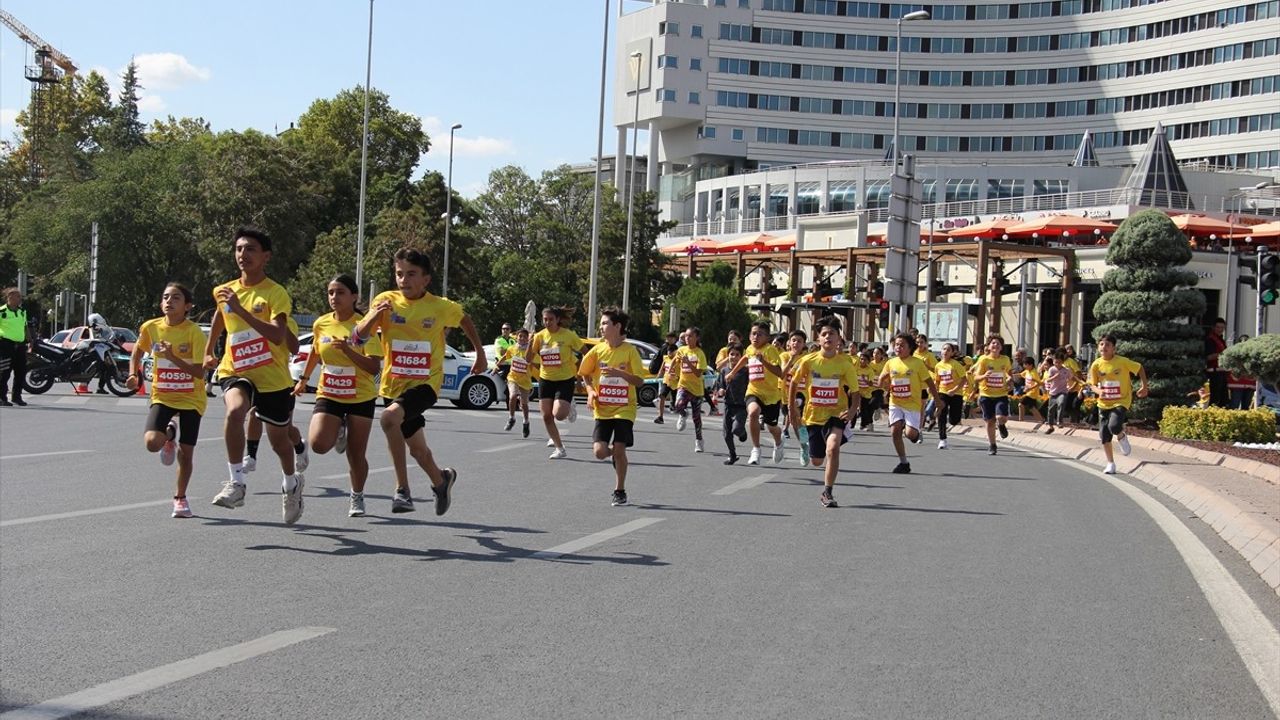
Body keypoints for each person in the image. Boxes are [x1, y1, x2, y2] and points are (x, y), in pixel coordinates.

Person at [352, 247, 484, 514]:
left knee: (389, 419)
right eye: (399, 274)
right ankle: (441, 480)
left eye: (411, 274)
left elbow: (465, 320)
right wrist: (375, 316)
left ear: (426, 279)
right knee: (417, 450)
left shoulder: (440, 306)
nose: (404, 280)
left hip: (426, 385)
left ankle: (402, 491)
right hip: (393, 385)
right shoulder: (385, 301)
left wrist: (480, 354)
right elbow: (357, 338)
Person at [203, 226, 307, 524]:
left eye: (250, 249)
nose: (242, 255)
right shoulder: (225, 290)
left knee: (279, 443)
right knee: (235, 411)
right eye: (238, 249)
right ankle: (236, 482)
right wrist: (210, 350)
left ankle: (291, 484)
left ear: (265, 256)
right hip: (235, 368)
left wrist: (241, 310)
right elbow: (221, 315)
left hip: (272, 377)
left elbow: (277, 335)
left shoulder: (276, 293)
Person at [292, 274, 382, 517]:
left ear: (354, 297)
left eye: (340, 292)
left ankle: (357, 496)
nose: (334, 297)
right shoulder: (321, 323)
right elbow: (314, 352)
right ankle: (339, 426)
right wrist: (303, 380)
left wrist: (348, 351)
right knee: (319, 444)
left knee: (355, 453)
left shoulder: (365, 326)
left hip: (360, 397)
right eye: (331, 292)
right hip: (330, 393)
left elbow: (374, 367)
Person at [127, 283, 207, 518]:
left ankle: (180, 498)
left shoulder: (194, 332)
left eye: (176, 298)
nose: (169, 301)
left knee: (186, 454)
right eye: (165, 297)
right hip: (162, 395)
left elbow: (200, 372)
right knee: (152, 443)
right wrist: (134, 374)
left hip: (191, 399)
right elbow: (137, 351)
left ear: (187, 306)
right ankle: (169, 435)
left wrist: (173, 356)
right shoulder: (151, 327)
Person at [789, 316, 860, 507]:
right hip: (813, 416)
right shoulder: (808, 361)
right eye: (824, 334)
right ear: (818, 339)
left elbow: (855, 391)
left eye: (832, 334)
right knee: (817, 461)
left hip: (836, 414)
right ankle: (805, 446)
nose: (828, 337)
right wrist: (791, 408)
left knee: (833, 448)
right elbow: (793, 384)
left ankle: (827, 492)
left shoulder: (845, 364)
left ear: (838, 339)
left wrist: (852, 411)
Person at [579, 307, 645, 506]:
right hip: (602, 408)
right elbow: (584, 373)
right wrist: (591, 392)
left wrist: (620, 374)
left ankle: (620, 490)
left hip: (625, 408)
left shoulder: (630, 351)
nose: (601, 327)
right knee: (599, 452)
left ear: (617, 327)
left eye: (605, 323)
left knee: (619, 447)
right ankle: (615, 455)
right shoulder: (598, 350)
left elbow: (640, 381)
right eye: (601, 323)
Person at [243, 315, 309, 475]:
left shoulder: (288, 322)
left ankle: (300, 446)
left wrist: (281, 326)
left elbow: (293, 347)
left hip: (281, 382)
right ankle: (251, 456)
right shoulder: (252, 317)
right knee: (254, 413)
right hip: (257, 379)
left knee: (286, 430)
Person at [725, 321, 785, 466]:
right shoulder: (750, 348)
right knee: (753, 413)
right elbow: (745, 358)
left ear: (767, 337)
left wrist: (764, 362)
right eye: (753, 333)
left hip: (771, 396)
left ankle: (779, 441)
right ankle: (756, 449)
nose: (755, 337)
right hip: (754, 391)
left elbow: (780, 373)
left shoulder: (770, 350)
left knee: (772, 428)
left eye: (760, 334)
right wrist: (732, 372)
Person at [1087, 334, 1149, 474]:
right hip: (1103, 403)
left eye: (1108, 345)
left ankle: (1121, 435)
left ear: (1114, 348)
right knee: (1104, 436)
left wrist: (1144, 386)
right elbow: (1091, 384)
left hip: (1121, 400)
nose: (1104, 347)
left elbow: (1139, 368)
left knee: (1114, 426)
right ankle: (1110, 463)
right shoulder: (1096, 364)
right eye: (1101, 344)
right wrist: (1098, 390)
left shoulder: (1122, 361)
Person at [529, 306, 583, 459]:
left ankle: (569, 404)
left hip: (564, 379)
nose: (547, 322)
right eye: (545, 319)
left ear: (558, 320)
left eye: (551, 319)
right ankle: (560, 448)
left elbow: (586, 352)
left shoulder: (568, 335)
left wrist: (583, 375)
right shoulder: (540, 336)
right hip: (546, 379)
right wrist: (531, 342)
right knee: (546, 416)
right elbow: (528, 359)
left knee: (558, 415)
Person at [878, 333, 937, 474]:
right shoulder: (891, 362)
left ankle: (915, 434)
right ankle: (903, 462)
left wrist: (937, 400)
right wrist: (883, 384)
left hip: (912, 404)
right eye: (896, 344)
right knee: (895, 431)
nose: (898, 347)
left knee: (910, 435)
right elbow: (882, 377)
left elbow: (929, 381)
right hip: (895, 402)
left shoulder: (917, 363)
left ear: (910, 347)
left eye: (902, 345)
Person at [971, 334, 1013, 456]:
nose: (995, 345)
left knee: (1001, 417)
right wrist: (984, 376)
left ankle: (1001, 425)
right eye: (993, 343)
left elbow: (1009, 374)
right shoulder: (984, 360)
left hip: (1001, 394)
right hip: (986, 395)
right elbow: (976, 377)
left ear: (1001, 347)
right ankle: (992, 445)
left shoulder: (1005, 359)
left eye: (998, 344)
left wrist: (1010, 381)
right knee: (990, 421)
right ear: (988, 346)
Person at [672, 326, 708, 453]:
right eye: (686, 336)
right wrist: (671, 370)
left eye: (690, 336)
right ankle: (683, 414)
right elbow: (675, 360)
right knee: (678, 405)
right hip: (683, 385)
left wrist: (688, 363)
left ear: (697, 338)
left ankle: (699, 441)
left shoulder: (700, 353)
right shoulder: (681, 350)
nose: (687, 338)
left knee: (696, 417)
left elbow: (698, 373)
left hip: (697, 390)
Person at [715, 342, 749, 465]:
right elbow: (720, 386)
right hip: (728, 404)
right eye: (731, 354)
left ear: (741, 356)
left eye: (737, 355)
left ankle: (743, 433)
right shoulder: (724, 371)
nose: (733, 357)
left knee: (736, 429)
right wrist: (721, 391)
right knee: (726, 433)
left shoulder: (746, 371)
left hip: (741, 406)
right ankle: (732, 454)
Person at [932, 342, 968, 449]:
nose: (945, 352)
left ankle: (955, 417)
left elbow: (964, 379)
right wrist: (935, 392)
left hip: (956, 393)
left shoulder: (956, 365)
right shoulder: (938, 366)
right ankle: (942, 439)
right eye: (944, 349)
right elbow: (937, 381)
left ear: (952, 353)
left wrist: (954, 389)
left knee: (954, 420)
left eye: (948, 350)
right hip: (943, 392)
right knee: (942, 413)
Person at [500, 327, 536, 437]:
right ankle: (511, 418)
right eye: (520, 336)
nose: (522, 338)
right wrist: (496, 367)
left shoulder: (530, 350)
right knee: (513, 396)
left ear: (527, 339)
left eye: (524, 337)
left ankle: (526, 422)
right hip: (513, 377)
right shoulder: (512, 348)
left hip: (525, 380)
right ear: (517, 337)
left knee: (524, 404)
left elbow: (534, 362)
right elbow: (505, 357)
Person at [0, 287, 31, 406]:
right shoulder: (2, 311)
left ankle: (16, 397)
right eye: (18, 296)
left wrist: (30, 339)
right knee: (4, 372)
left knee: (21, 372)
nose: (20, 299)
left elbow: (25, 326)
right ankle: (2, 397)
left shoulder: (22, 311)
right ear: (10, 297)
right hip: (6, 345)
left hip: (20, 345)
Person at [1043, 349, 1074, 434]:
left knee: (1061, 402)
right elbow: (1048, 380)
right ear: (1053, 362)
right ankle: (1050, 426)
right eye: (1055, 362)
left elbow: (1072, 377)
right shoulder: (1052, 369)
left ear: (1062, 362)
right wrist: (1054, 377)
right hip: (1053, 392)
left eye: (1059, 362)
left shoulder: (1066, 370)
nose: (1057, 364)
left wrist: (1076, 383)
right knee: (1051, 410)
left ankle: (1059, 421)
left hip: (1062, 391)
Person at [653, 333, 679, 424]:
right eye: (668, 351)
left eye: (672, 351)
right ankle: (660, 416)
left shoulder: (678, 360)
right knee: (662, 396)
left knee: (677, 403)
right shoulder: (666, 358)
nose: (669, 353)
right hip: (666, 381)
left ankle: (681, 415)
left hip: (676, 383)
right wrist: (659, 375)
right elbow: (662, 367)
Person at [1205, 317, 1229, 407]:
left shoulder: (1221, 340)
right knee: (1215, 398)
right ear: (1213, 328)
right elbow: (1209, 357)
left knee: (1224, 399)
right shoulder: (1210, 340)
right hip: (1214, 372)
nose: (1220, 330)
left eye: (1222, 328)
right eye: (1218, 327)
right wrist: (1224, 354)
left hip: (1222, 372)